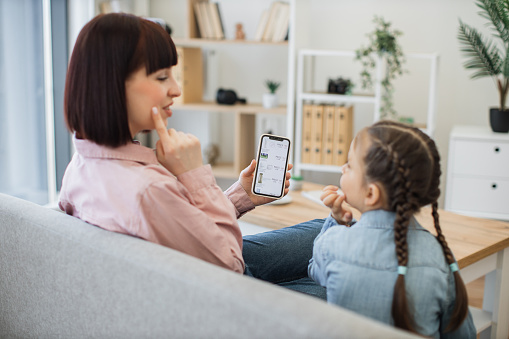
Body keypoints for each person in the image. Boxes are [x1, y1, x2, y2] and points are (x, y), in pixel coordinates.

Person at [59, 12, 325, 298]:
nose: (176, 88)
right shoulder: (148, 189)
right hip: (221, 295)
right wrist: (194, 174)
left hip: (191, 270)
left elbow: (184, 229)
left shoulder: (81, 166)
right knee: (339, 279)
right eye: (162, 77)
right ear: (111, 84)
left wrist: (239, 197)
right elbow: (230, 267)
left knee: (328, 230)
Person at [308, 120, 476, 337]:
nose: (342, 167)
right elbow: (461, 334)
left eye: (349, 164)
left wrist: (336, 220)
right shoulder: (440, 257)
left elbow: (314, 269)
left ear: (371, 193)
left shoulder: (332, 243)